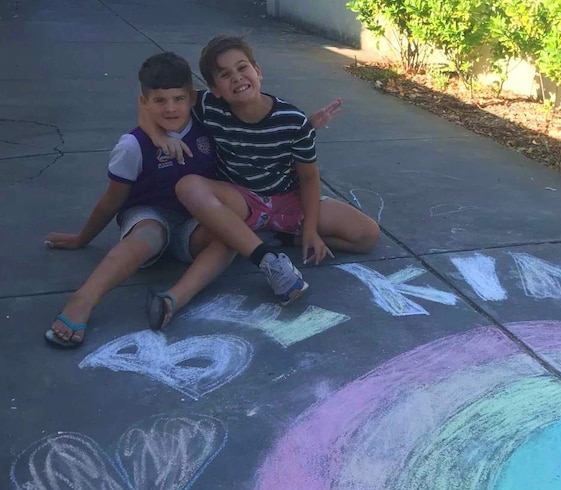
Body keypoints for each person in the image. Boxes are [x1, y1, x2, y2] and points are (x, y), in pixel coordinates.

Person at [44, 52, 339, 348]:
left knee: (231, 234)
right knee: (150, 233)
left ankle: (172, 299)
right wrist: (82, 238)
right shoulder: (132, 145)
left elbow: (254, 133)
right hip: (150, 215)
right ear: (146, 103)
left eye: (178, 99)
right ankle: (82, 300)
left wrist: (304, 127)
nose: (171, 108)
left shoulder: (207, 124)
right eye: (159, 101)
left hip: (195, 223)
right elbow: (112, 200)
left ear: (192, 99)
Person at [144, 35, 379, 316]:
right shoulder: (208, 106)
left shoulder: (293, 121)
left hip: (287, 201)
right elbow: (145, 105)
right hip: (242, 200)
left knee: (367, 235)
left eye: (242, 68)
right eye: (225, 74)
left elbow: (309, 179)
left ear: (258, 71)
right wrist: (159, 137)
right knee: (188, 187)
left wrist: (311, 230)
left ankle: (276, 239)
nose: (237, 78)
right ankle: (261, 258)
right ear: (214, 89)